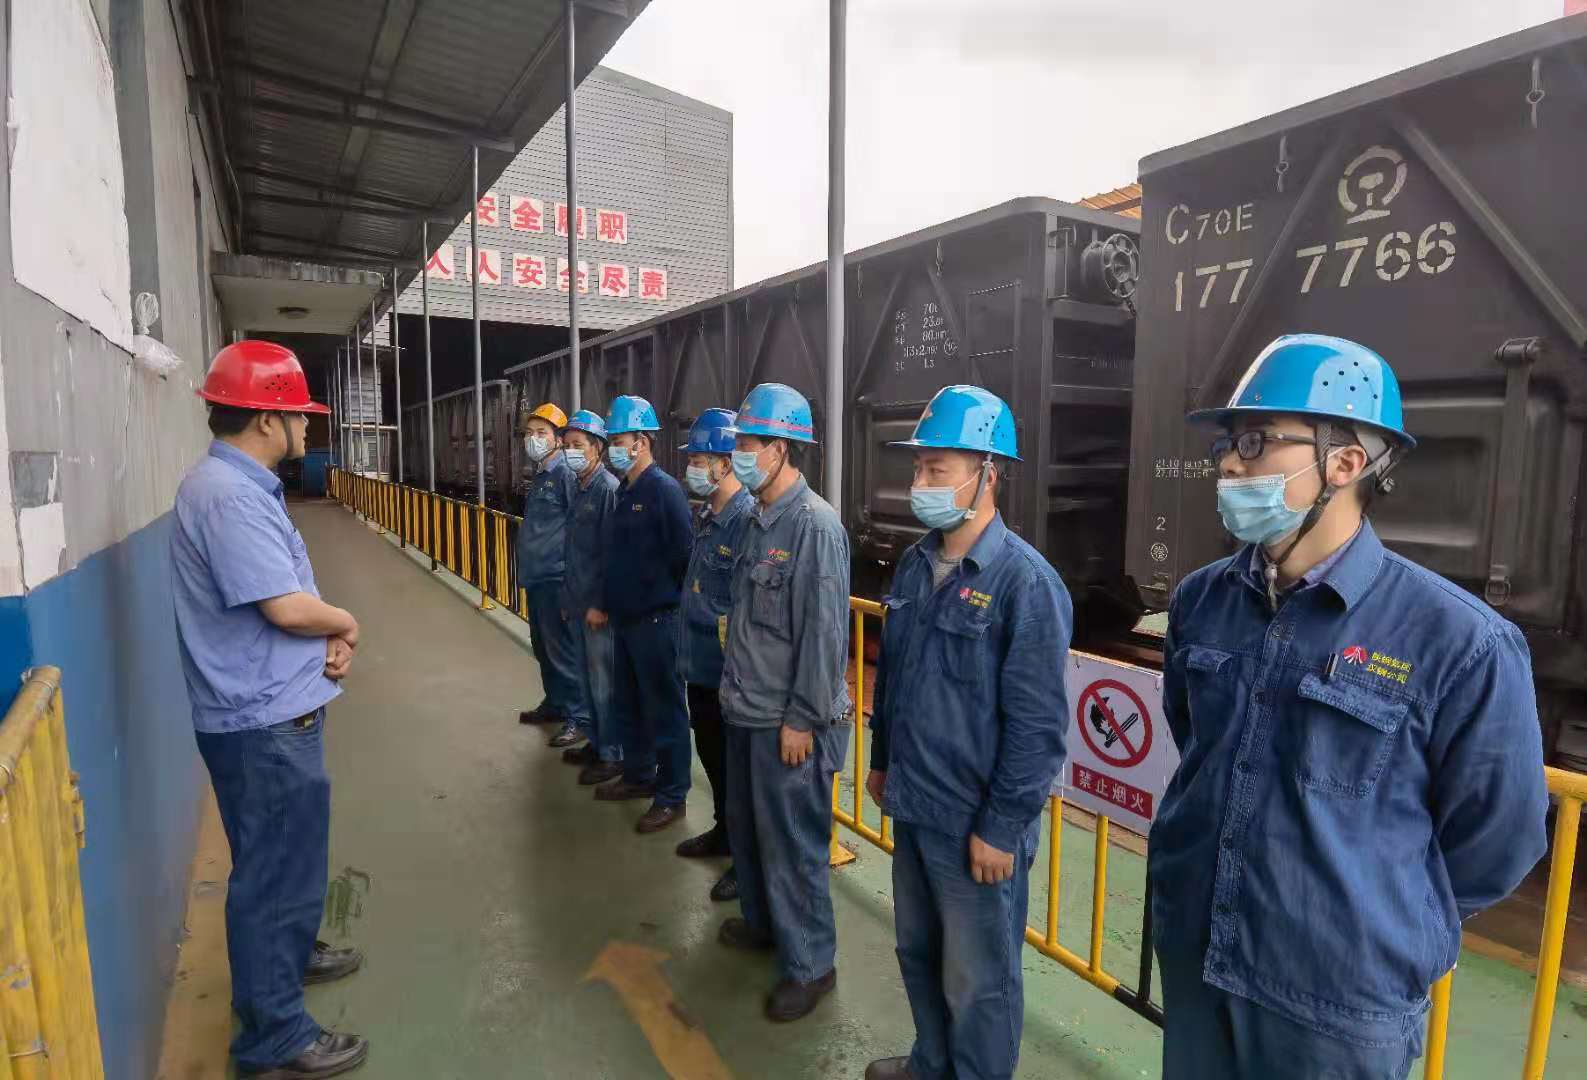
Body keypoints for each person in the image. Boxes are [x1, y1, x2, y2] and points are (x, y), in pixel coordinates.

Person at [1150, 334, 1550, 1079]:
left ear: (1344, 463)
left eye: (1255, 441)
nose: (1229, 464)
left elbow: (1500, 836)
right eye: (1227, 445)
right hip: (1198, 953)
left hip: (1335, 1001)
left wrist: (1381, 917)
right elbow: (1195, 737)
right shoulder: (1202, 600)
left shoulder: (1459, 640)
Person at [170, 340, 369, 1078]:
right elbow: (284, 607)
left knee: (281, 862)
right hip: (263, 724)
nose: (307, 426)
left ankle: (288, 959)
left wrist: (325, 641)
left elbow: (283, 600)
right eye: (299, 414)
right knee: (274, 874)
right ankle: (275, 1039)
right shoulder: (228, 497)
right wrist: (345, 622)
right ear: (264, 419)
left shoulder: (237, 488)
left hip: (266, 710)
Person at [863, 385, 1072, 1080]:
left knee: (979, 980)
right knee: (919, 952)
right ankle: (932, 1062)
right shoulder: (915, 564)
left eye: (938, 469)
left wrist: (1002, 827)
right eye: (919, 467)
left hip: (973, 823)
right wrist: (881, 760)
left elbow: (1037, 727)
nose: (921, 482)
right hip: (915, 804)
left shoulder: (1025, 584)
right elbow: (894, 676)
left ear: (988, 474)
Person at [716, 382, 852, 1023]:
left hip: (786, 723)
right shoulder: (752, 516)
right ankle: (764, 925)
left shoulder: (815, 527)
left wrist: (803, 718)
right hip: (746, 710)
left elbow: (825, 638)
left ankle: (811, 966)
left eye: (750, 443)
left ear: (781, 448)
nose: (738, 454)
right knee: (748, 830)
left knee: (794, 845)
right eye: (738, 443)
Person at [591, 395, 695, 835]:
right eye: (612, 441)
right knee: (630, 704)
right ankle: (637, 774)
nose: (613, 449)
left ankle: (671, 795)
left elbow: (684, 556)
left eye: (619, 441)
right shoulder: (626, 490)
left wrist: (663, 599)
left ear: (642, 442)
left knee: (666, 711)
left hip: (657, 621)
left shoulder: (664, 491)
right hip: (628, 621)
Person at [673, 408, 754, 903]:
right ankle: (724, 832)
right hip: (701, 666)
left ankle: (745, 862)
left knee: (737, 773)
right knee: (714, 761)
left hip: (729, 675)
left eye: (700, 460)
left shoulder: (744, 521)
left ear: (726, 464)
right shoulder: (708, 516)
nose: (693, 469)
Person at [557, 410, 624, 785]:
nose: (571, 451)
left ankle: (612, 754)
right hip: (579, 604)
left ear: (598, 448)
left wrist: (600, 603)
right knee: (586, 680)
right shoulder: (581, 487)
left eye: (578, 445)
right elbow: (576, 552)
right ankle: (596, 742)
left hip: (598, 611)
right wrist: (570, 601)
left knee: (603, 685)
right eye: (566, 445)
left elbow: (611, 556)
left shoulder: (607, 490)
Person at [513, 402, 583, 748]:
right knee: (543, 647)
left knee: (562, 650)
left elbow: (578, 527)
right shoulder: (542, 475)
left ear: (558, 439)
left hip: (557, 578)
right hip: (538, 577)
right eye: (529, 433)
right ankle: (555, 703)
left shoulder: (566, 474)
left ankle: (577, 716)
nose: (534, 439)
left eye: (542, 433)